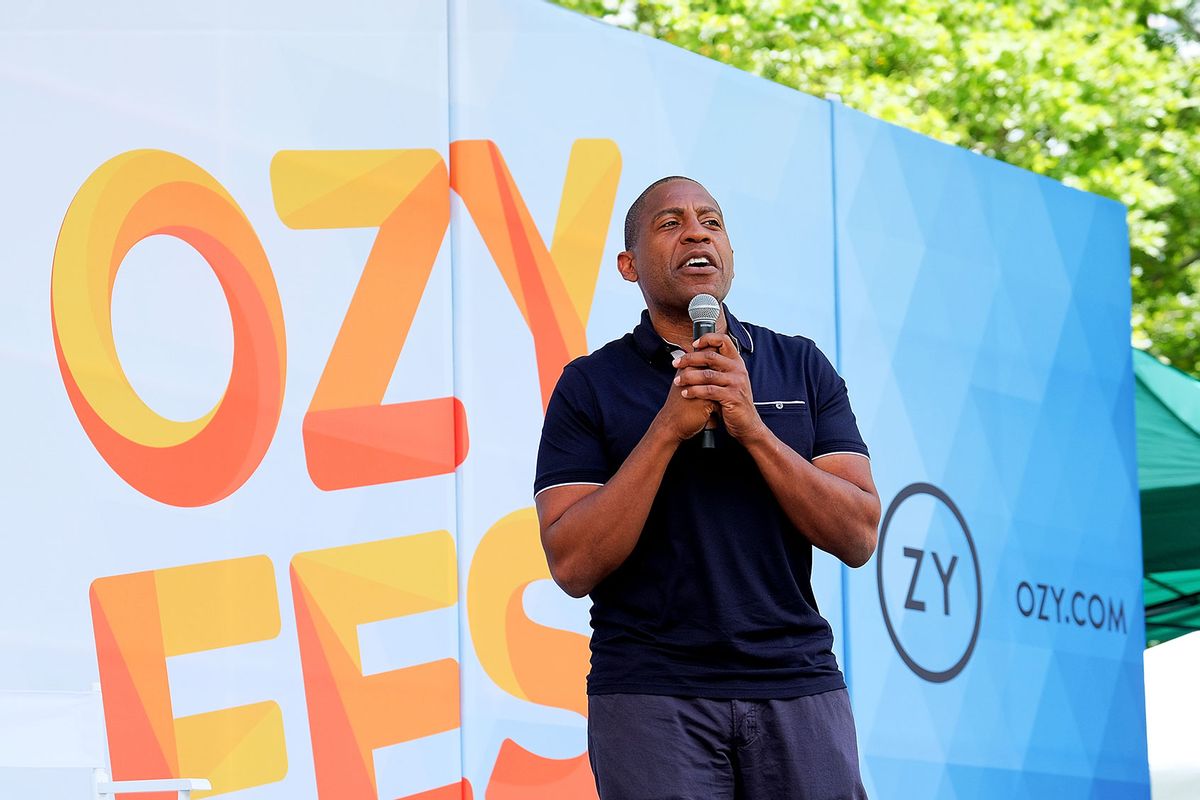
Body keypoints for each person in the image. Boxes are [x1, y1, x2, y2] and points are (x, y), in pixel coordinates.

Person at [533, 176, 880, 799]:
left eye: (711, 222)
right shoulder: (589, 385)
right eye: (670, 223)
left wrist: (752, 429)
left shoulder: (800, 365)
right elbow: (572, 562)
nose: (697, 232)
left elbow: (858, 534)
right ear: (628, 265)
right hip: (651, 688)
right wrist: (667, 429)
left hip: (796, 681)